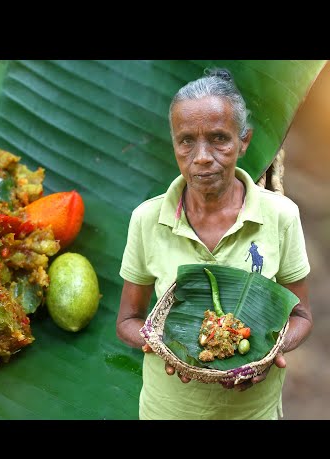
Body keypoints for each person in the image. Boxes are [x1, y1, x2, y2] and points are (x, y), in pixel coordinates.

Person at [116, 68, 313, 420]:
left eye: (219, 138)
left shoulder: (281, 216)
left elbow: (301, 315)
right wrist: (163, 346)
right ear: (174, 143)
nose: (202, 156)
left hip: (254, 411)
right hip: (168, 411)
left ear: (244, 141)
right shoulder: (147, 219)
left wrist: (270, 353)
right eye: (186, 140)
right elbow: (128, 320)